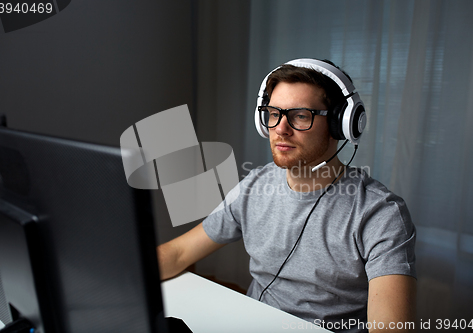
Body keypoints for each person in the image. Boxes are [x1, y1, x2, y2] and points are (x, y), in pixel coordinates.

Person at [157, 58, 416, 332]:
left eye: (301, 116)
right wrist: (123, 277)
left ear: (341, 124)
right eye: (273, 113)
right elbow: (179, 252)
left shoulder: (380, 214)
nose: (280, 128)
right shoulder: (255, 186)